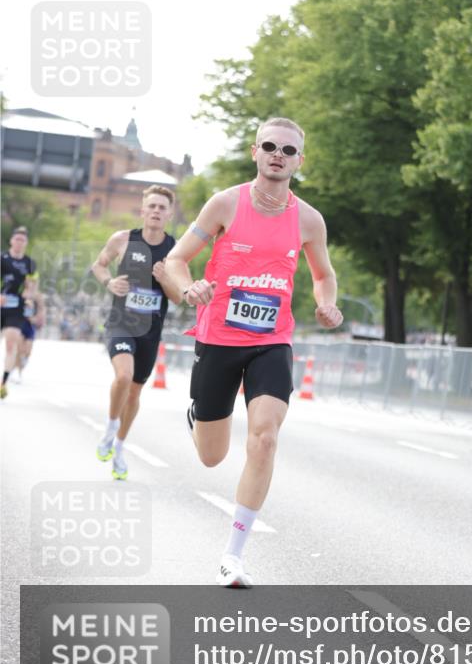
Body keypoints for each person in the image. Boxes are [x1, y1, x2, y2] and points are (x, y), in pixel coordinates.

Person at [163, 117, 344, 588]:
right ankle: (199, 415)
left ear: (299, 161)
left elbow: (323, 274)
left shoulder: (308, 219)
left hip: (271, 341)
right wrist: (190, 289)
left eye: (288, 150)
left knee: (264, 438)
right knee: (211, 457)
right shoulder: (226, 203)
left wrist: (327, 304)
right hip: (218, 339)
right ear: (255, 151)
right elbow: (176, 261)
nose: (278, 155)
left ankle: (233, 556)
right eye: (270, 146)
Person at [91, 185, 180, 480]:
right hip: (120, 323)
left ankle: (118, 447)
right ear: (142, 210)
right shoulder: (123, 239)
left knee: (135, 393)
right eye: (151, 206)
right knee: (123, 377)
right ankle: (110, 427)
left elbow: (179, 296)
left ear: (169, 214)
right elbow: (99, 265)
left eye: (161, 208)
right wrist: (109, 283)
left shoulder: (175, 250)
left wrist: (166, 279)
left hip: (151, 330)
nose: (156, 211)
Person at [1, 227, 38, 399]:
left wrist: (29, 295)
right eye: (17, 239)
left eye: (22, 240)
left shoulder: (30, 263)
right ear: (11, 241)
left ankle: (3, 383)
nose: (19, 242)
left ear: (26, 243)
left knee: (11, 344)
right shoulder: (2, 258)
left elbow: (32, 285)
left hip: (16, 308)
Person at [16, 286, 46, 380]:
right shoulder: (20, 292)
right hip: (21, 323)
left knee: (28, 351)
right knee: (19, 350)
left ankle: (21, 367)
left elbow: (41, 309)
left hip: (31, 325)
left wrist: (37, 318)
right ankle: (18, 372)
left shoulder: (38, 295)